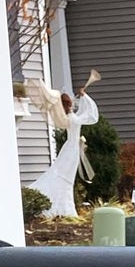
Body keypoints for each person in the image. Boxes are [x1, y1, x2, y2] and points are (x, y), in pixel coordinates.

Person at [32, 85, 99, 219]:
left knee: (64, 177)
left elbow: (83, 113)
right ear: (69, 104)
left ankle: (64, 206)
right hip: (72, 149)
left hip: (70, 147)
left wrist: (82, 96)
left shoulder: (70, 117)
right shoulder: (73, 118)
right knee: (66, 178)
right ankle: (64, 207)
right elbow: (90, 114)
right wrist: (85, 96)